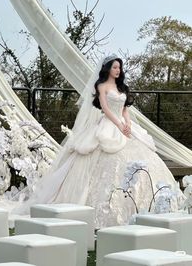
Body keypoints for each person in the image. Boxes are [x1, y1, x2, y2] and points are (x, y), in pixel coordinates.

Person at [12, 54, 182, 228]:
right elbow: (106, 109)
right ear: (107, 68)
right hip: (108, 124)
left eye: (119, 68)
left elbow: (125, 110)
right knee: (96, 155)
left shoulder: (121, 87)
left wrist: (128, 124)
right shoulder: (101, 86)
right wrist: (118, 125)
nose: (118, 70)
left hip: (123, 125)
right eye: (114, 67)